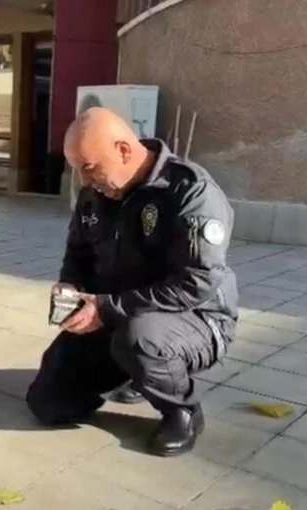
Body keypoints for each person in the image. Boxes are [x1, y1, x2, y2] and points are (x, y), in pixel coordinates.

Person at [26, 107, 238, 457]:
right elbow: (78, 253)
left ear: (123, 150)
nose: (83, 179)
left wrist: (107, 309)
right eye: (77, 169)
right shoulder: (95, 195)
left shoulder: (190, 192)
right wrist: (70, 287)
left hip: (195, 319)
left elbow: (196, 283)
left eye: (89, 167)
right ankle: (132, 373)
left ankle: (182, 411)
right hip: (117, 312)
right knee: (48, 403)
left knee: (139, 339)